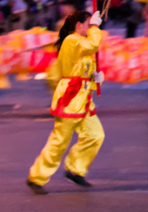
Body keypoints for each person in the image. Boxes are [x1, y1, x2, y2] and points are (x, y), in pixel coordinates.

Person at [27, 10, 105, 194]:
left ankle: (75, 169)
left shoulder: (81, 43)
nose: (89, 27)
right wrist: (95, 27)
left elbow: (85, 67)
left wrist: (95, 78)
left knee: (96, 135)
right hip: (70, 98)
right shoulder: (72, 40)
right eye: (87, 23)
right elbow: (93, 45)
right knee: (59, 141)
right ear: (78, 25)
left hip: (84, 100)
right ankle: (37, 177)